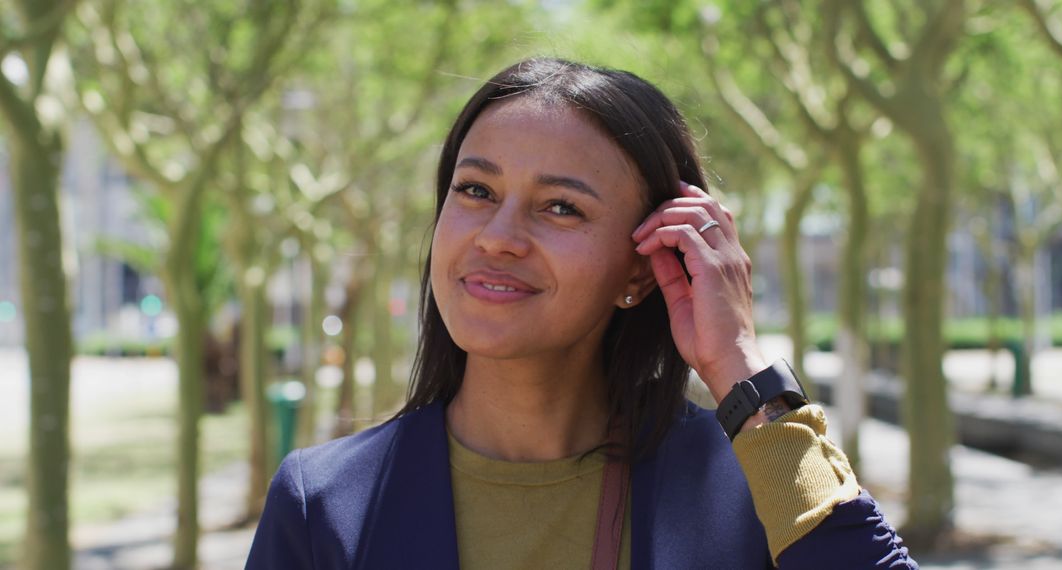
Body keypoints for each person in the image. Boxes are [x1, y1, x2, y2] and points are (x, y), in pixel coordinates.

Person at [246, 58, 916, 569]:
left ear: (640, 266)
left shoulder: (749, 480)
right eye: (476, 189)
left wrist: (739, 362)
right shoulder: (324, 504)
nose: (498, 236)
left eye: (561, 207)